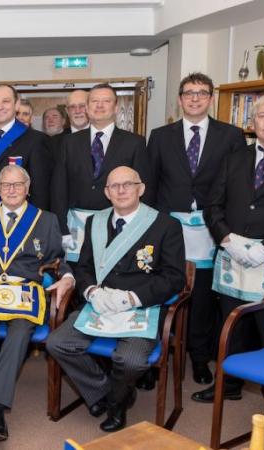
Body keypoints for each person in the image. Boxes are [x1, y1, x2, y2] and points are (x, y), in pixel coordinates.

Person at [46, 166, 185, 432]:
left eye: (127, 184)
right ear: (107, 192)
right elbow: (84, 267)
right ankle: (110, 393)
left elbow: (174, 278)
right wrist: (91, 291)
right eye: (114, 186)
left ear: (141, 189)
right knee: (58, 343)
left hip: (140, 306)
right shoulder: (95, 222)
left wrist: (133, 297)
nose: (121, 191)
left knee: (131, 361)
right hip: (100, 303)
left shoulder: (165, 225)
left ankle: (115, 405)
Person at [193, 92, 264, 424]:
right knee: (231, 324)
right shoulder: (234, 158)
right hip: (232, 255)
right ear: (253, 122)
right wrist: (226, 238)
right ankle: (231, 384)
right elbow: (213, 205)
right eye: (262, 115)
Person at [142, 72, 244, 387]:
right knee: (161, 292)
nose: (195, 98)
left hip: (211, 229)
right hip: (169, 228)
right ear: (180, 99)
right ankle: (152, 357)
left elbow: (237, 187)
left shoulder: (231, 136)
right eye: (189, 92)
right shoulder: (160, 136)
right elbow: (150, 184)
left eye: (201, 92)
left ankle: (199, 357)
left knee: (202, 297)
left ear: (211, 98)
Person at [0, 164, 74, 443]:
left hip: (25, 294)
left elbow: (57, 259)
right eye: (6, 185)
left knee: (21, 332)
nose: (11, 190)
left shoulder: (46, 220)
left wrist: (68, 277)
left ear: (28, 188)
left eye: (18, 184)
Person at [51, 83, 149, 264]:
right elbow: (59, 189)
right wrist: (61, 228)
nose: (100, 105)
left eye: (106, 101)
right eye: (94, 101)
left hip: (117, 225)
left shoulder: (134, 143)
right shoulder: (69, 142)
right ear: (87, 108)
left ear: (116, 108)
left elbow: (142, 192)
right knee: (75, 276)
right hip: (75, 226)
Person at [0, 83, 52, 213]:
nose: (0, 106)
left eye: (6, 101)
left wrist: (34, 221)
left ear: (16, 105)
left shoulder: (35, 139)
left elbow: (40, 192)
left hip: (14, 214)